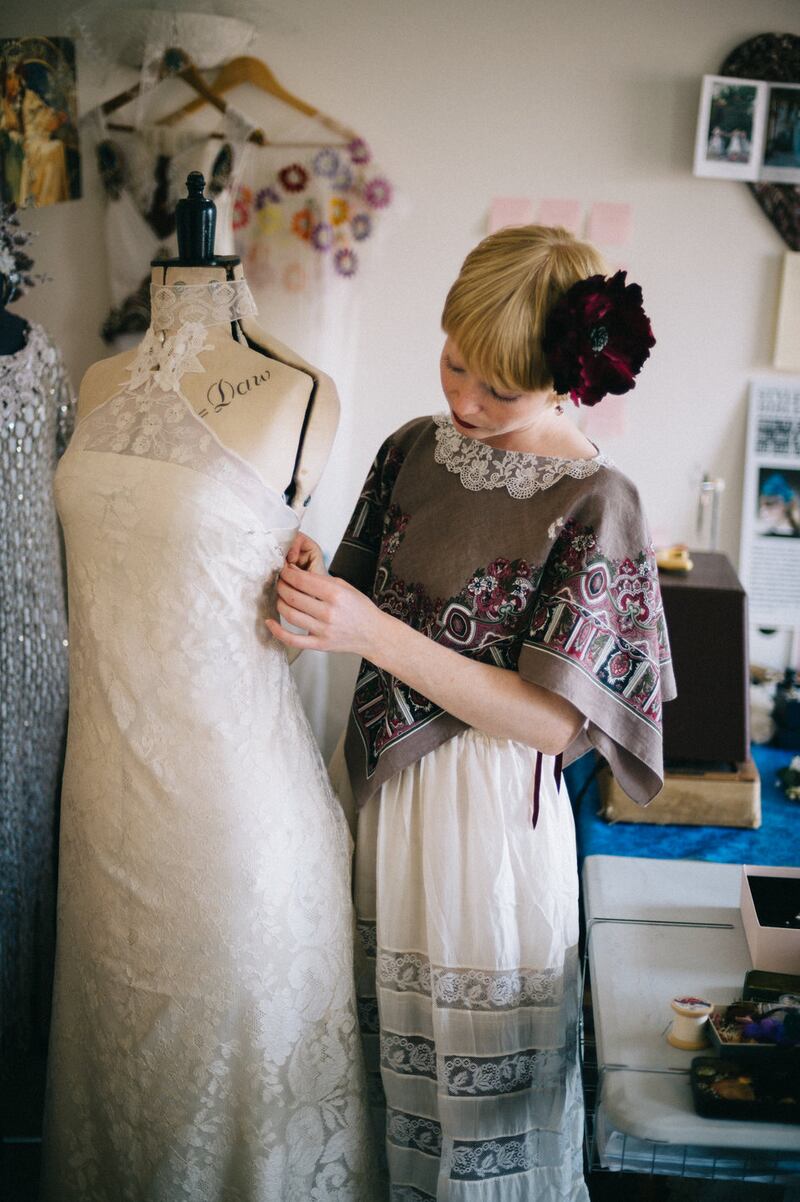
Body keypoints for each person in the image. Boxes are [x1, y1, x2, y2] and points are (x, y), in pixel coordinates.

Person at [267, 224, 675, 1201]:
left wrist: (371, 630)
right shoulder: (410, 448)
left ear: (570, 376)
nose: (462, 400)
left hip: (492, 828)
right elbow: (349, 602)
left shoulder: (596, 498)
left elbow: (549, 723)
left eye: (497, 388)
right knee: (378, 1083)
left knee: (484, 1122)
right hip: (377, 801)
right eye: (454, 364)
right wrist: (312, 584)